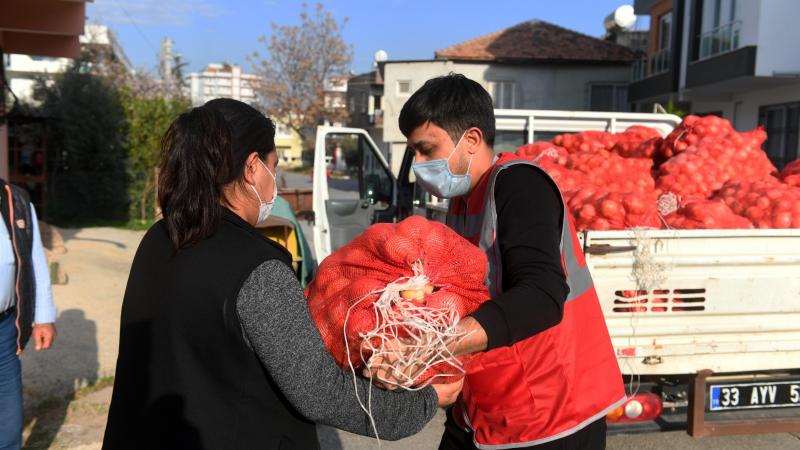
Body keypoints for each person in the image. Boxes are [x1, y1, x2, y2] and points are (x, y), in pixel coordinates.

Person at [102, 98, 461, 450]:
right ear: (252, 167)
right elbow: (320, 393)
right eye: (273, 167)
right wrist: (424, 402)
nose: (274, 180)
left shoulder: (159, 239)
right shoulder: (258, 269)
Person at [373, 74, 625, 449]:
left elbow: (542, 295)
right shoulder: (460, 201)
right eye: (416, 153)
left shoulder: (520, 186)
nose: (420, 163)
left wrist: (437, 345)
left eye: (427, 149)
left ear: (471, 140)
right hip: (487, 405)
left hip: (550, 411)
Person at [0, 180, 57, 450]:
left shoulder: (16, 200)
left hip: (4, 328)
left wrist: (44, 316)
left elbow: (35, 259)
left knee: (8, 412)